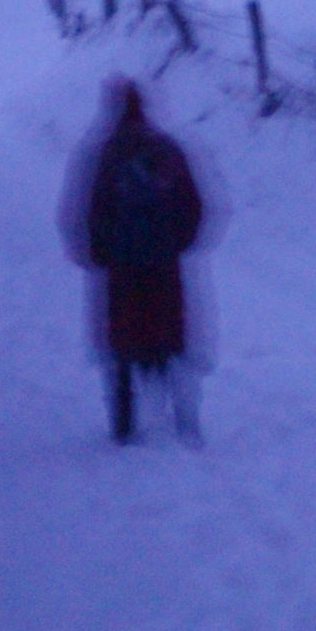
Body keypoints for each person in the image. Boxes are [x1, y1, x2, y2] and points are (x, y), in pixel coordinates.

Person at [72, 78, 207, 447]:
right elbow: (194, 205)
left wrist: (99, 253)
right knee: (170, 338)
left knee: (123, 343)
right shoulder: (167, 148)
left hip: (123, 267)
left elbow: (95, 210)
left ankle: (124, 424)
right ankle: (185, 420)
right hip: (164, 263)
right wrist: (177, 243)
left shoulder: (108, 152)